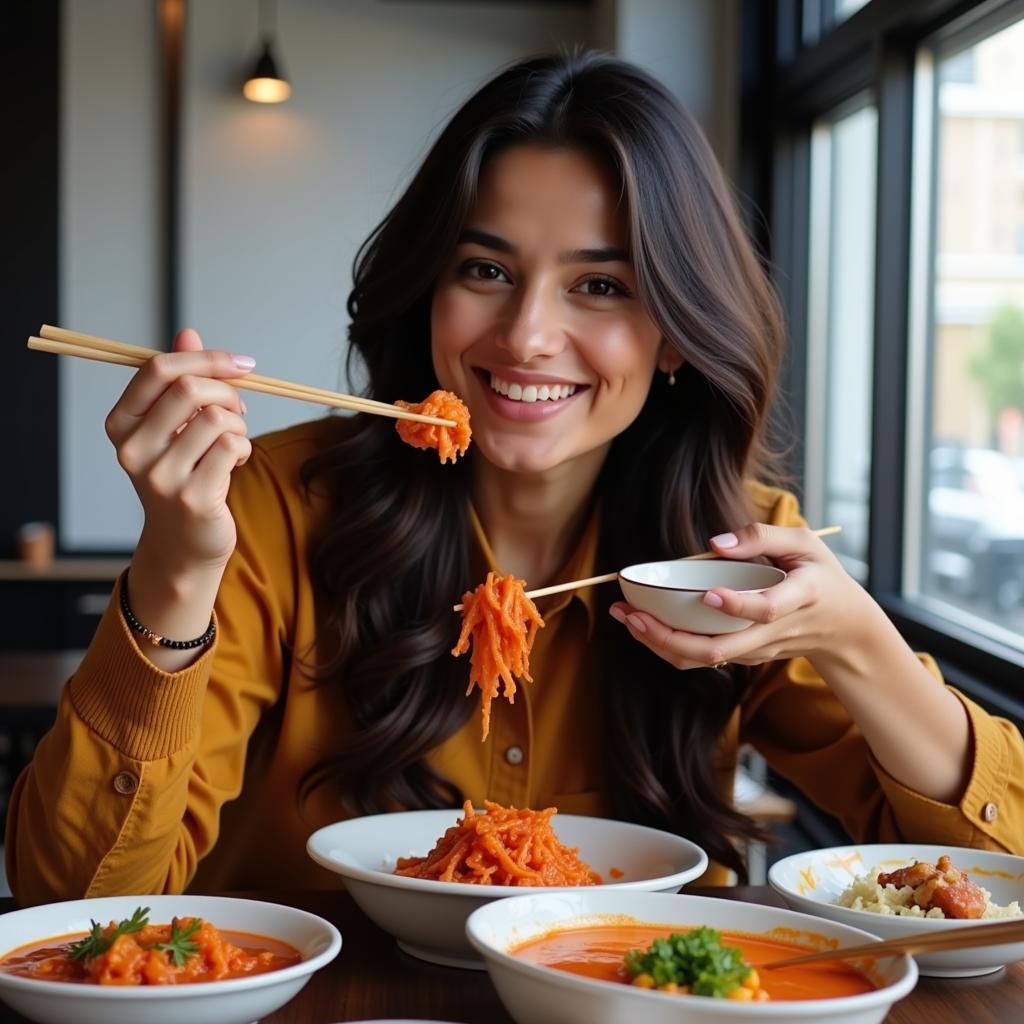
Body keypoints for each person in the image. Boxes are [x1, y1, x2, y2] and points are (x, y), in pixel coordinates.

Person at [7, 51, 1023, 904]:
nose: (529, 336)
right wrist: (178, 571)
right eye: (484, 269)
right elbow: (73, 907)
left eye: (600, 285)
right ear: (428, 291)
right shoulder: (272, 509)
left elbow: (999, 874)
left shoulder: (732, 550)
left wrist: (853, 638)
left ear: (676, 330)